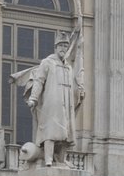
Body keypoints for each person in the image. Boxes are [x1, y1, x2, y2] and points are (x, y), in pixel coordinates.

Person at [11, 21, 84, 166]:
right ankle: (49, 158)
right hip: (52, 103)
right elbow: (39, 81)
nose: (63, 48)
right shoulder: (47, 62)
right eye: (61, 45)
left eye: (65, 46)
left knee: (66, 133)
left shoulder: (68, 67)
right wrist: (33, 98)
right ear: (56, 47)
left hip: (66, 104)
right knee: (51, 131)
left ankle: (62, 160)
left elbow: (73, 84)